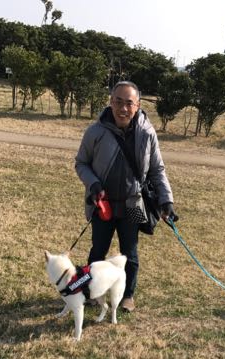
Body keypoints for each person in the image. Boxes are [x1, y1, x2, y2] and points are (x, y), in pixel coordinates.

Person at [75, 80, 178, 313]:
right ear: (110, 102)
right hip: (102, 205)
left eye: (129, 103)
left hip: (133, 204)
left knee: (130, 253)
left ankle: (128, 295)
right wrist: (93, 184)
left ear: (137, 105)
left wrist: (167, 201)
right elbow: (81, 163)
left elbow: (157, 169)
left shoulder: (147, 133)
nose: (123, 108)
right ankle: (91, 291)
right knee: (98, 251)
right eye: (118, 102)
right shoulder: (95, 132)